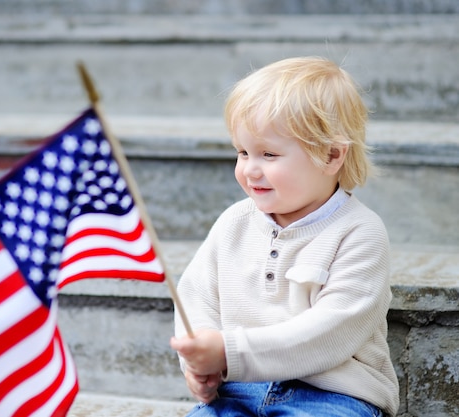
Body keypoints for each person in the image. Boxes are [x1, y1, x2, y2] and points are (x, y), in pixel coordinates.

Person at [169, 56, 400, 417]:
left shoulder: (359, 233)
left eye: (269, 154)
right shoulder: (234, 222)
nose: (250, 169)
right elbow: (197, 297)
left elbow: (329, 333)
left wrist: (229, 352)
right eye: (242, 152)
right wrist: (200, 361)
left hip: (332, 395)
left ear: (331, 155)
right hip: (237, 390)